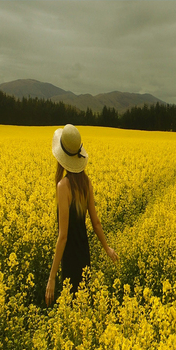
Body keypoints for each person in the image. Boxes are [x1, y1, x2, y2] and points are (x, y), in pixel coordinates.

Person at [45, 124, 118, 306]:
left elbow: (63, 237)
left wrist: (52, 277)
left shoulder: (63, 186)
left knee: (71, 304)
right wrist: (107, 248)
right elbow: (96, 223)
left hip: (69, 256)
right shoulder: (86, 183)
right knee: (83, 304)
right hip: (84, 253)